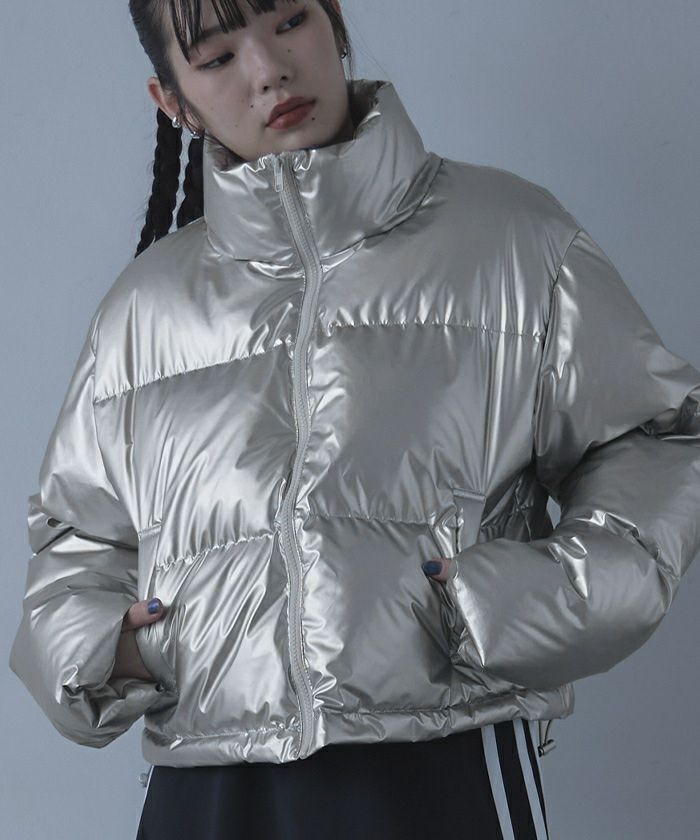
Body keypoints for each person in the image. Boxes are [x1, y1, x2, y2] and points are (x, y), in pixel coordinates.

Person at [8, 1, 700, 838]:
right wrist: (119, 650)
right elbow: (75, 542)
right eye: (217, 58)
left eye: (288, 21)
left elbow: (653, 440)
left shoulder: (513, 240)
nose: (268, 70)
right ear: (174, 102)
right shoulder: (143, 311)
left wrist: (513, 605)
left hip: (439, 761)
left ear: (333, 20)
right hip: (207, 786)